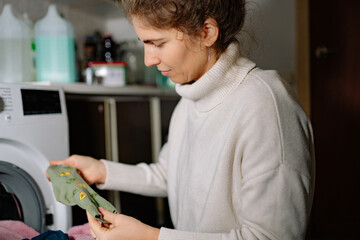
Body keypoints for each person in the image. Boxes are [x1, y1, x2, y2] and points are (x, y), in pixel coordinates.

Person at [50, 0, 315, 239]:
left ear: (207, 32)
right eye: (144, 42)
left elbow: (270, 237)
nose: (148, 59)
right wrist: (102, 171)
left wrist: (151, 238)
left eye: (158, 43)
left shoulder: (266, 105)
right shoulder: (190, 97)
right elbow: (168, 174)